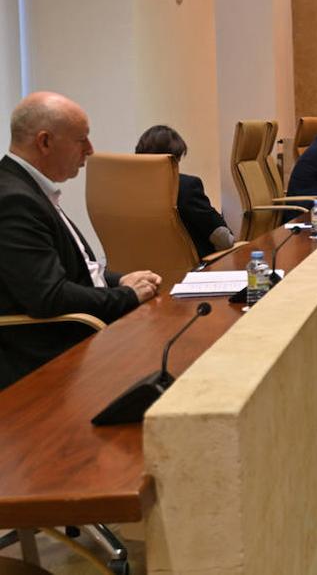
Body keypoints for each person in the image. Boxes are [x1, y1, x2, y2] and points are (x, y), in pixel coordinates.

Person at [0, 92, 161, 388]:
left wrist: (119, 280)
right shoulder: (14, 200)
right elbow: (49, 296)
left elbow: (74, 269)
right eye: (81, 139)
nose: (90, 149)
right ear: (45, 142)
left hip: (79, 334)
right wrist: (127, 296)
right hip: (50, 356)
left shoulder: (30, 189)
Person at [135, 125, 235, 259]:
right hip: (193, 268)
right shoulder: (186, 187)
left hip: (138, 268)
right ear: (173, 159)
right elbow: (224, 240)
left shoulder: (127, 188)